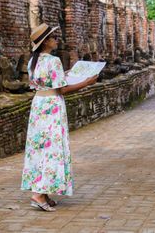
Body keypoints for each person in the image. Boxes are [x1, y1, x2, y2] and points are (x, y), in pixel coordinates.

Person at [21, 23, 98, 212]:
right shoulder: (53, 61)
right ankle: (39, 194)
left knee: (39, 147)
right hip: (52, 106)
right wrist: (86, 82)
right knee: (53, 147)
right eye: (53, 37)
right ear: (46, 42)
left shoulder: (33, 61)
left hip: (38, 105)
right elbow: (61, 89)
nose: (56, 40)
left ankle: (43, 192)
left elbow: (44, 82)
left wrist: (67, 74)